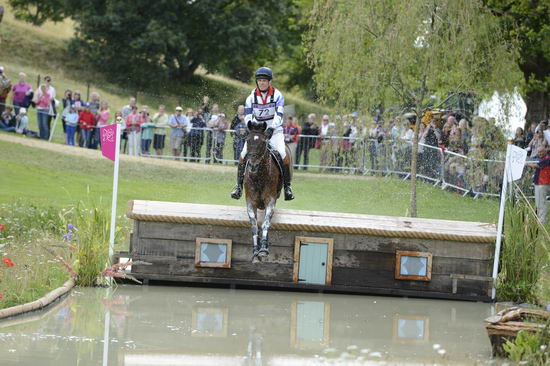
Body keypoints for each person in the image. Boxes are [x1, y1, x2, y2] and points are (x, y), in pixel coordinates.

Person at [230, 67, 295, 201]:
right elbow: (248, 115)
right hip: (257, 131)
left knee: (283, 154)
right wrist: (251, 126)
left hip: (274, 131)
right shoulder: (251, 97)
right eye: (259, 80)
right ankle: (238, 186)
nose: (262, 83)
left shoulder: (277, 95)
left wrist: (272, 127)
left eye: (264, 80)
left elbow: (279, 114)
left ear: (269, 81)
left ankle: (287, 187)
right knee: (243, 155)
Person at [526, 147, 550, 224]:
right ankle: (542, 218)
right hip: (539, 183)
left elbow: (537, 166)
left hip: (542, 183)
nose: (539, 154)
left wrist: (526, 164)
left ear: (545, 151)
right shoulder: (543, 158)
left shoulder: (547, 159)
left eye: (541, 152)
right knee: (539, 202)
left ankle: (542, 220)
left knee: (541, 202)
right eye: (538, 152)